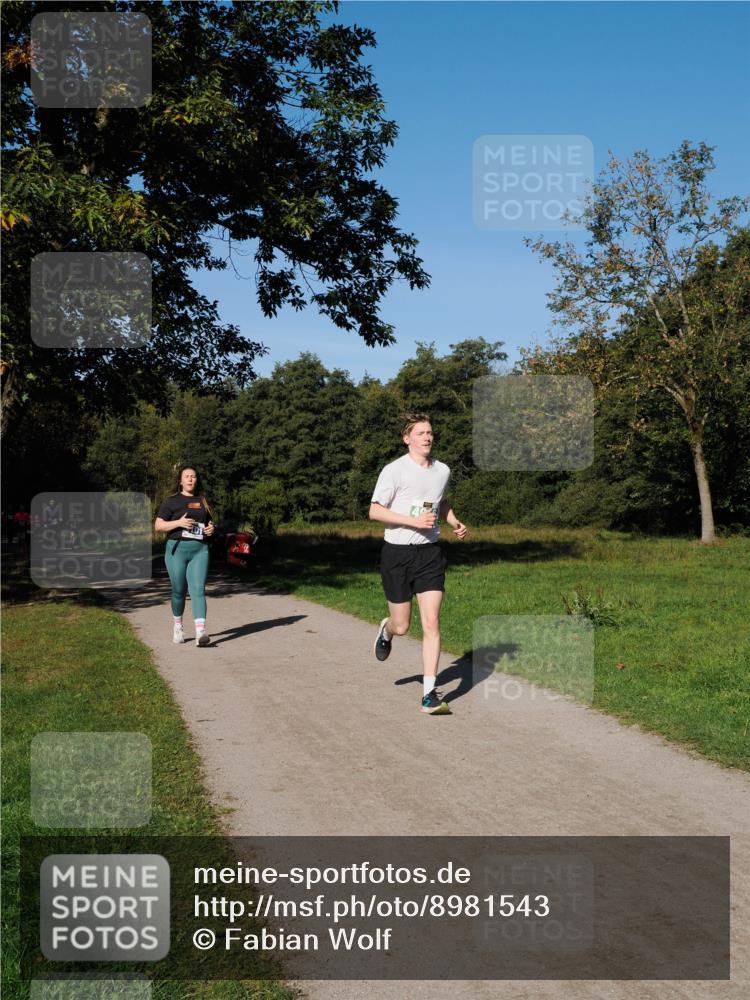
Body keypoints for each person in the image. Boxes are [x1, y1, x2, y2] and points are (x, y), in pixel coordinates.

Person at [369, 413, 468, 715]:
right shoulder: (394, 471)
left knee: (432, 623)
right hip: (397, 554)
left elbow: (441, 500)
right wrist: (412, 520)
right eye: (421, 433)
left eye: (430, 432)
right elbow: (374, 511)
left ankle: (429, 695)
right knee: (403, 625)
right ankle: (387, 630)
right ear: (407, 438)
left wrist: (452, 521)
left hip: (429, 554)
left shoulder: (442, 470)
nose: (427, 437)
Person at [154, 467, 215, 646]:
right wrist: (179, 523)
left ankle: (200, 632)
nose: (190, 479)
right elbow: (158, 526)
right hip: (177, 550)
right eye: (186, 476)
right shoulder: (171, 502)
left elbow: (208, 522)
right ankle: (178, 627)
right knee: (179, 590)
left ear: (196, 480)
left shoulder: (202, 500)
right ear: (180, 481)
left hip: (200, 550)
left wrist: (212, 528)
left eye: (193, 476)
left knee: (198, 589)